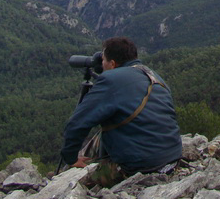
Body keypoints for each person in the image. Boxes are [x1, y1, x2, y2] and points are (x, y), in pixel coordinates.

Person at [60, 37, 182, 181]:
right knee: (104, 131)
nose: (101, 64)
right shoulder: (154, 76)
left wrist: (71, 157)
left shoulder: (111, 80)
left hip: (140, 168)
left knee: (74, 178)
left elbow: (77, 124)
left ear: (112, 64)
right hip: (172, 158)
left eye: (103, 60)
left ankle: (62, 175)